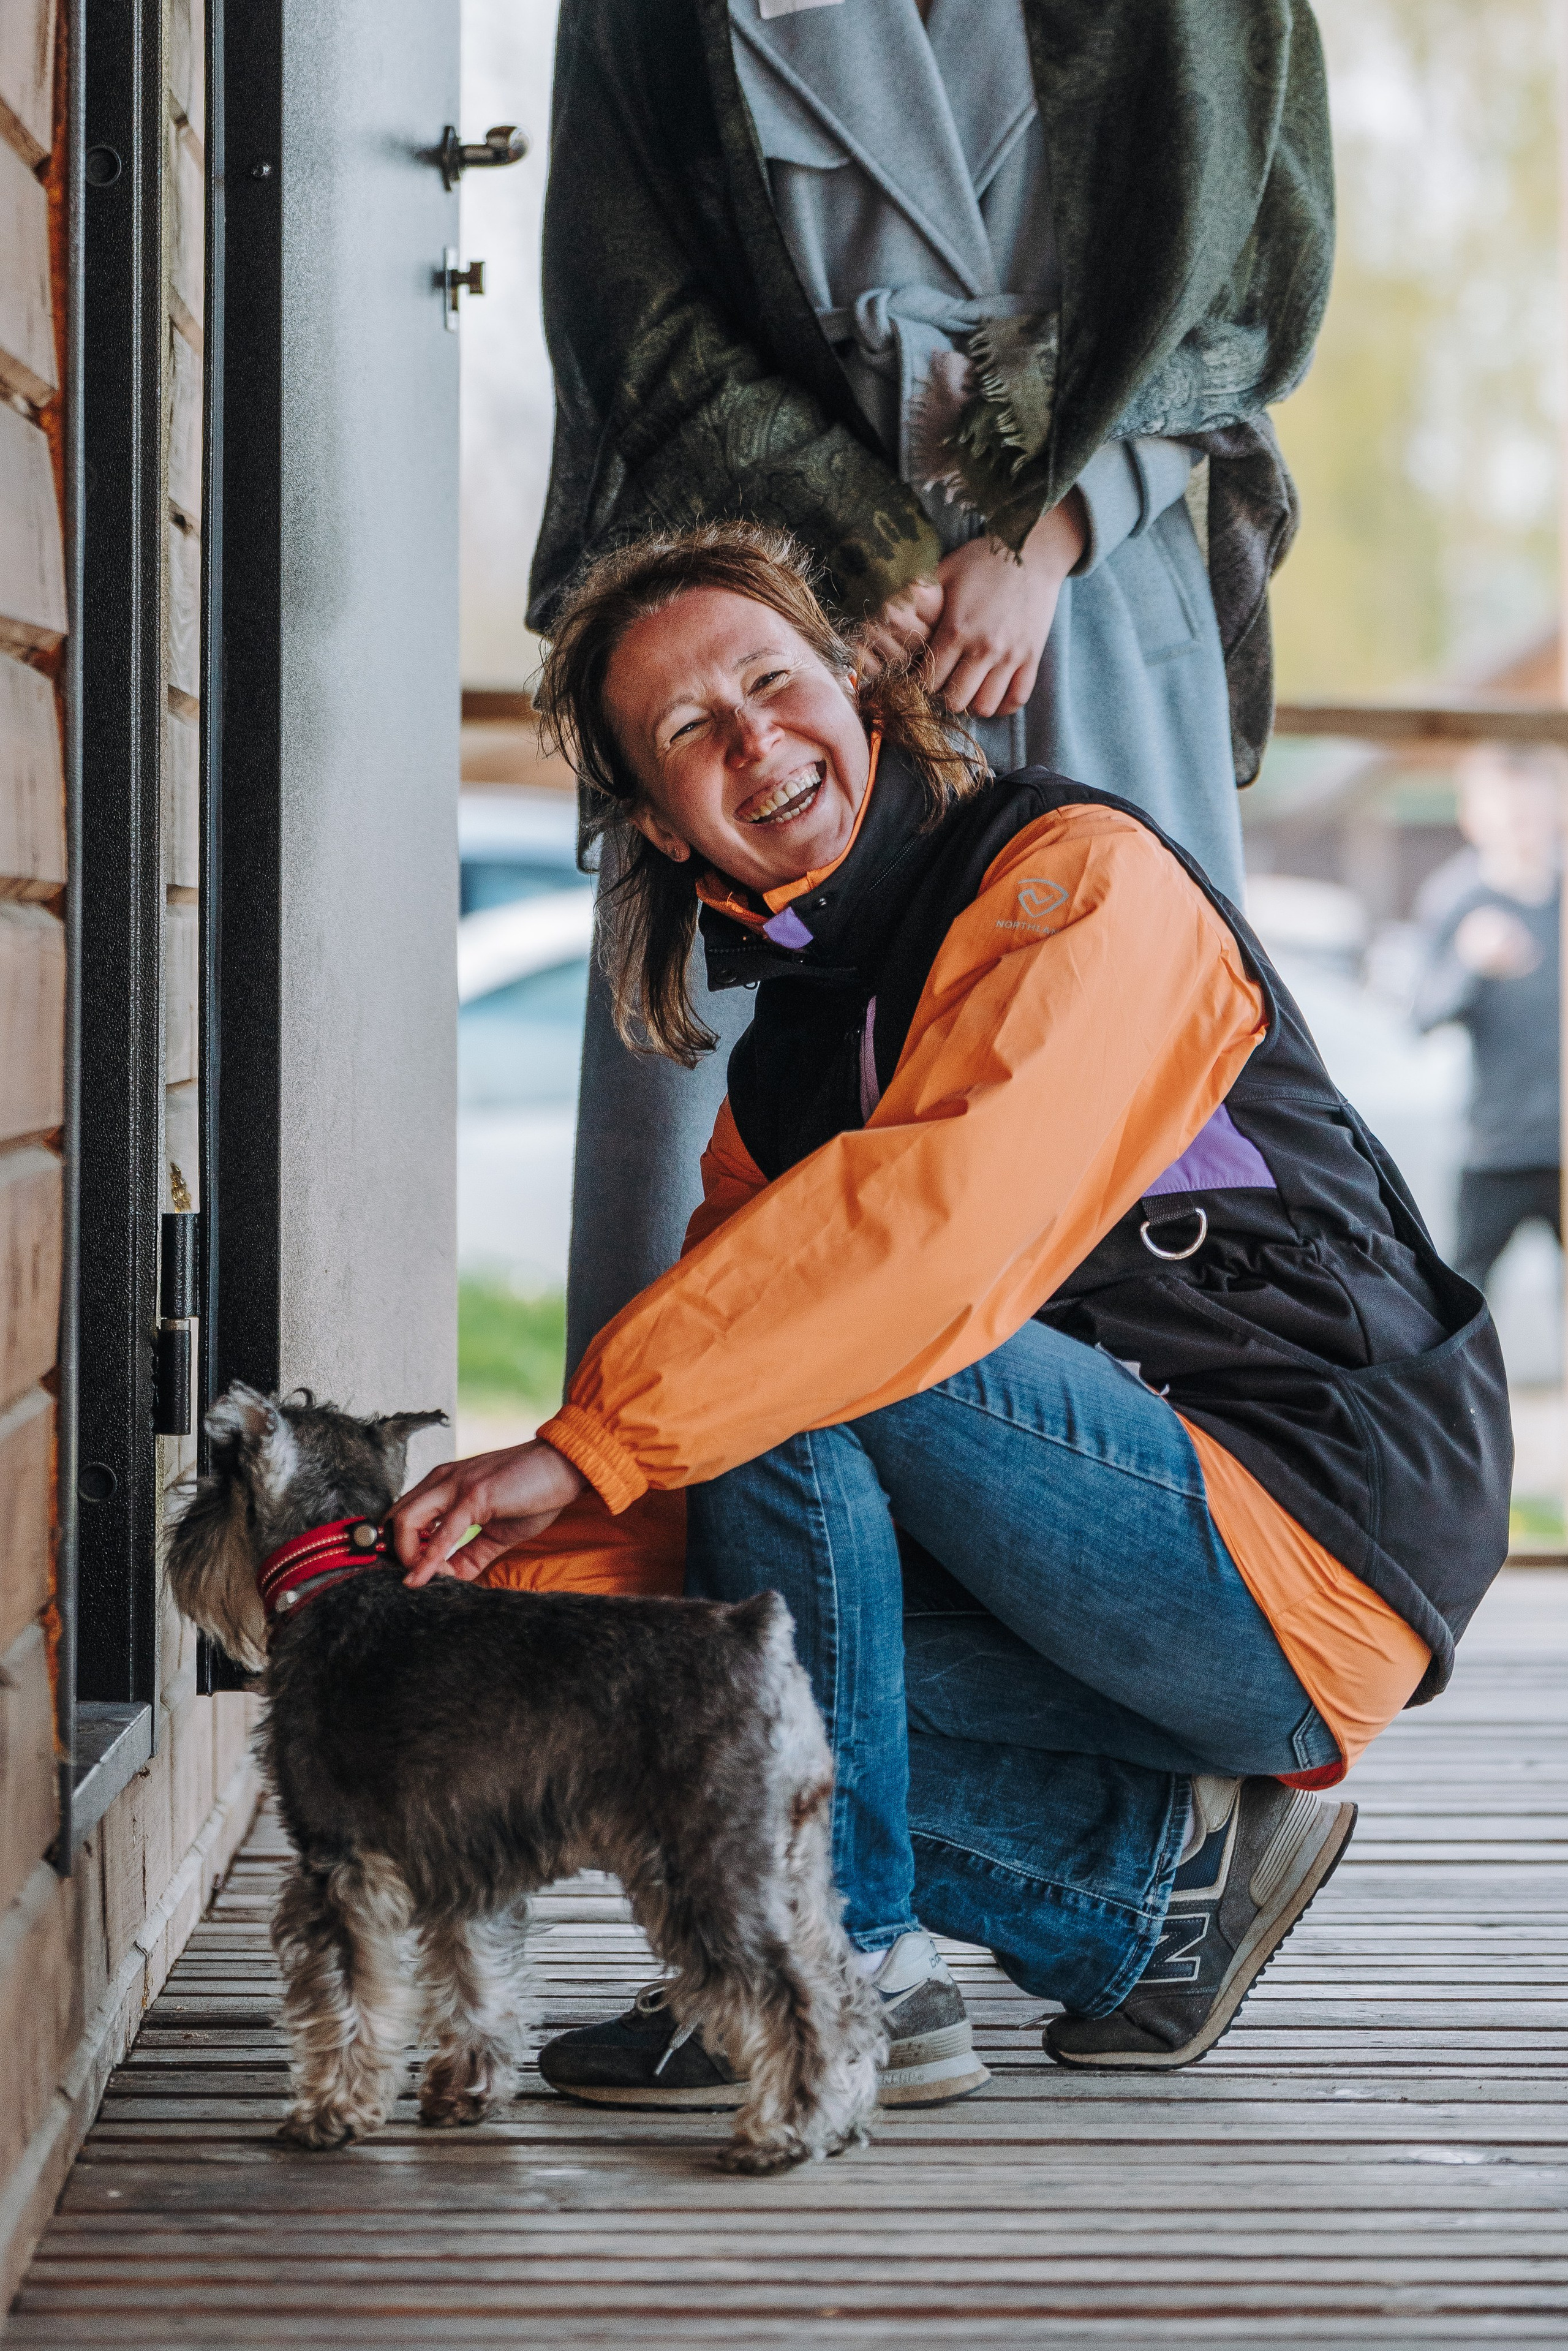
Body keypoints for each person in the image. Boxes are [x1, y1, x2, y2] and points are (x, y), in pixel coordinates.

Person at [393, 527, 1511, 2097]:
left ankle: (829, 1960)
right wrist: (472, 1600)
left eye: (771, 682)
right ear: (656, 816)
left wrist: (584, 1442)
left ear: (853, 690)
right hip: (1094, 1568)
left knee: (792, 1339)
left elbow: (921, 1240)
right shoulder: (787, 1067)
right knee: (663, 1659)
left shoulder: (1072, 875)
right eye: (692, 728)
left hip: (1305, 1529)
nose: (754, 740)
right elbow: (722, 1489)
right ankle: (1145, 1893)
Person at [528, 0, 1335, 1361]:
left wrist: (1047, 523)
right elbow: (626, 297)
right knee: (727, 1129)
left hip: (1089, 575)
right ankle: (661, 1468)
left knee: (1122, 1064)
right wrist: (851, 540)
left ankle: (1119, 1473)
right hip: (771, 580)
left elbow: (1256, 275)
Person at [1414, 745, 1562, 1295]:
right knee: (1465, 1295)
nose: (1524, 829)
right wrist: (1470, 964)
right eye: (1510, 816)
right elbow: (1422, 1016)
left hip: (1563, 1139)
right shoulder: (1458, 900)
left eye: (1534, 812)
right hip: (1497, 1144)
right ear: (1474, 819)